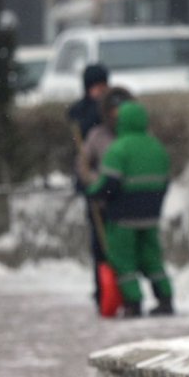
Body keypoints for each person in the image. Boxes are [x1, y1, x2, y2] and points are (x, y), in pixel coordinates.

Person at [85, 100, 174, 317]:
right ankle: (165, 299)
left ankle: (133, 303)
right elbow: (165, 181)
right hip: (151, 214)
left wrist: (93, 192)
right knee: (152, 257)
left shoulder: (119, 148)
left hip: (123, 215)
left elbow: (109, 184)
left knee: (123, 259)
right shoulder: (156, 146)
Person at [67, 63, 110, 311]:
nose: (100, 91)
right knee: (98, 240)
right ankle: (101, 289)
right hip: (93, 183)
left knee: (112, 239)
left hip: (112, 184)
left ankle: (117, 287)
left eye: (103, 86)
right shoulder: (83, 113)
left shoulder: (111, 109)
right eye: (96, 87)